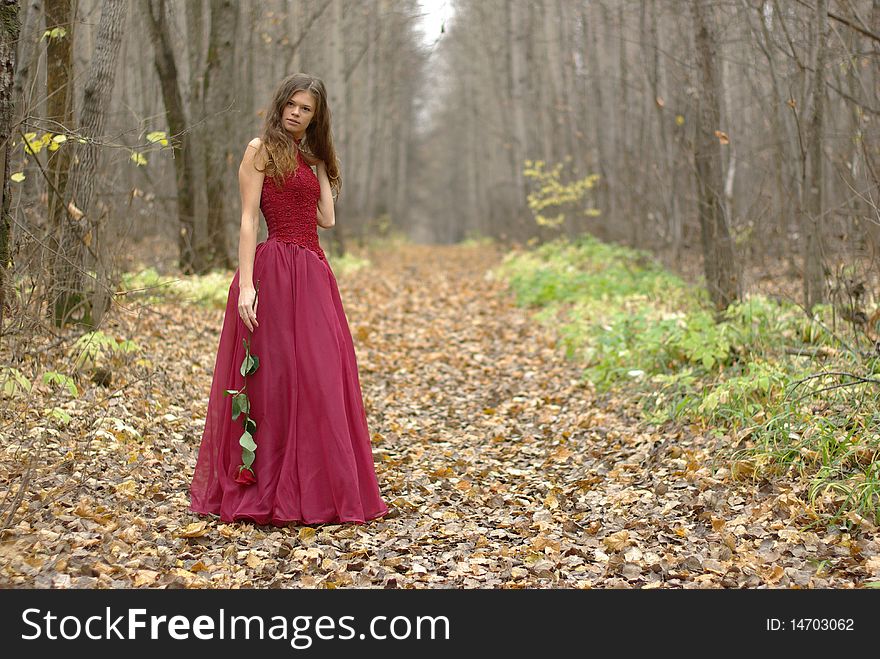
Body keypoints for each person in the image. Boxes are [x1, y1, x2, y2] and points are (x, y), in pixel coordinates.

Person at [189, 73, 390, 526]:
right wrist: (245, 284)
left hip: (314, 273)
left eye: (307, 110)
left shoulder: (307, 158)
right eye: (293, 105)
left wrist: (319, 166)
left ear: (316, 118)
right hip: (274, 270)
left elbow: (327, 218)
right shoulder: (259, 150)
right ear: (281, 103)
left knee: (320, 374)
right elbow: (246, 220)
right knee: (276, 377)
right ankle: (269, 485)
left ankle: (316, 488)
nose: (297, 113)